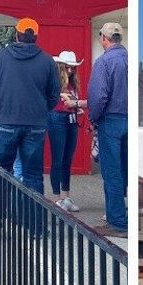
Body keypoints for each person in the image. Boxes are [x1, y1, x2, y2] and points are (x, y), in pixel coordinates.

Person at [0, 18, 60, 195]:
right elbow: (54, 95)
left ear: (16, 34)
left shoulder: (1, 57)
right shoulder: (47, 61)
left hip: (5, 121)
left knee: (0, 172)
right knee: (33, 175)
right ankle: (32, 221)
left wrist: (1, 106)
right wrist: (40, 109)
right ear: (36, 37)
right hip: (36, 124)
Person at [87, 22, 128, 236]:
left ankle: (118, 222)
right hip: (131, 120)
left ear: (104, 37)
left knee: (112, 172)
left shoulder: (104, 62)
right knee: (126, 170)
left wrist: (93, 118)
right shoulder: (130, 59)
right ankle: (125, 215)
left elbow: (99, 96)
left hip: (111, 120)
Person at [48, 51, 87, 213]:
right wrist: (60, 95)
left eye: (73, 67)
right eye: (68, 67)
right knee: (57, 159)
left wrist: (78, 108)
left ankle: (66, 196)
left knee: (67, 160)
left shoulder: (72, 81)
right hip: (57, 118)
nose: (71, 70)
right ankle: (57, 198)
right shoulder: (54, 79)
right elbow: (45, 93)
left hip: (71, 119)